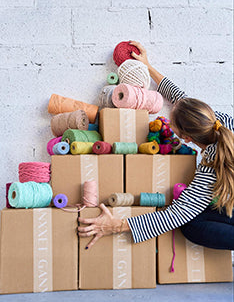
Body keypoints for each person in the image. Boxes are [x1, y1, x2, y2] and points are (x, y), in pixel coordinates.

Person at [78, 41, 234, 251]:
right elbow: (183, 101)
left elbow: (180, 212)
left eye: (176, 132)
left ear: (187, 138)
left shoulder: (211, 165)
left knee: (191, 225)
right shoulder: (219, 121)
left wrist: (118, 225)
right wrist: (147, 66)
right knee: (207, 209)